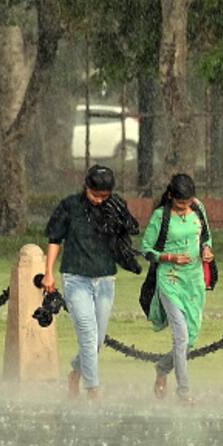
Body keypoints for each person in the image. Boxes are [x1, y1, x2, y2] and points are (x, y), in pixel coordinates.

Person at [43, 165, 140, 399]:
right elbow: (55, 240)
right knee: (87, 333)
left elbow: (131, 230)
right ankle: (94, 391)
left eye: (104, 196)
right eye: (94, 194)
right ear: (86, 186)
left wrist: (120, 214)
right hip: (76, 278)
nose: (98, 200)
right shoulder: (69, 206)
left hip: (105, 279)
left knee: (98, 339)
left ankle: (76, 372)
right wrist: (49, 272)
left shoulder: (114, 206)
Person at [140, 174, 214, 404]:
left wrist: (207, 250)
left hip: (193, 281)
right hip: (169, 281)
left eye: (188, 204)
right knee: (180, 337)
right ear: (171, 196)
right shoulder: (160, 217)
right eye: (180, 205)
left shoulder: (198, 209)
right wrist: (168, 257)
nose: (184, 209)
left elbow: (206, 237)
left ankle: (163, 367)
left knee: (190, 338)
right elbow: (146, 249)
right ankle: (184, 392)